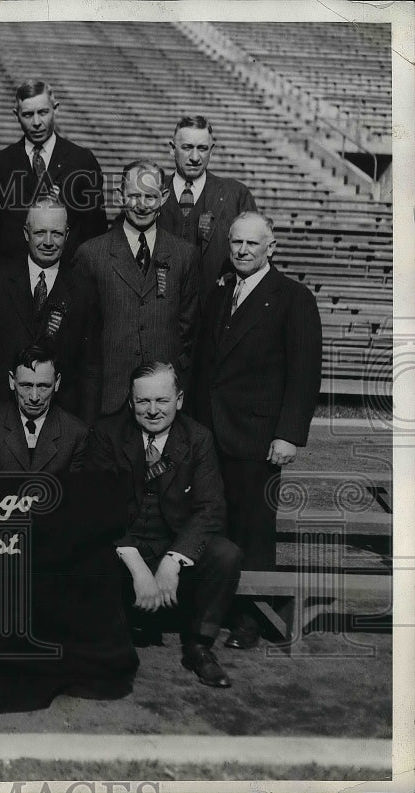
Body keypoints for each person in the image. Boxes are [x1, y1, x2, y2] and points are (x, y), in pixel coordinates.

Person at [190, 211, 322, 649]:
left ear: (272, 247)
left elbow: (304, 374)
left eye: (252, 244)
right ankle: (212, 607)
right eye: (236, 243)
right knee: (214, 521)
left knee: (254, 530)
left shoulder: (292, 297)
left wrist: (288, 434)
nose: (243, 251)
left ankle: (249, 617)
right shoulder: (220, 291)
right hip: (211, 431)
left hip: (258, 437)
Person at [83, 362, 242, 688]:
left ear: (179, 400)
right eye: (143, 402)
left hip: (172, 542)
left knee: (226, 554)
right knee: (88, 553)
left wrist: (174, 559)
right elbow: (98, 506)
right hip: (123, 544)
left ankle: (199, 645)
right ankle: (110, 637)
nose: (153, 410)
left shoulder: (198, 438)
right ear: (130, 402)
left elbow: (211, 508)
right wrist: (139, 568)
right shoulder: (107, 434)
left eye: (162, 400)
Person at [74, 160, 200, 415]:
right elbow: (82, 333)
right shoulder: (91, 253)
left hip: (162, 397)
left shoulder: (184, 254)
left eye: (150, 197)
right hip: (109, 397)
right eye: (134, 195)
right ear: (120, 195)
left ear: (164, 197)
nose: (142, 205)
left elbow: (188, 328)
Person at [0, 196, 101, 422]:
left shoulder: (84, 290)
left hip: (62, 419)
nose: (48, 242)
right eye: (40, 233)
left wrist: (87, 424)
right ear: (26, 233)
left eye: (56, 234)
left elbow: (91, 365)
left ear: (67, 235)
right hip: (1, 414)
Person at [0, 79, 106, 266]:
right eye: (27, 114)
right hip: (11, 280)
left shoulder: (82, 161)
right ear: (16, 114)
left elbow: (96, 231)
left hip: (68, 279)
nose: (36, 122)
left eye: (43, 112)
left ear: (56, 109)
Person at [158, 116, 258, 295]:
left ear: (211, 150)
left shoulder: (236, 195)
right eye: (187, 147)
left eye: (202, 149)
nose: (195, 157)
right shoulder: (151, 193)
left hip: (216, 310)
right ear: (172, 149)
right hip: (161, 311)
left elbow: (259, 254)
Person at [0, 346, 88, 474]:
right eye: (26, 386)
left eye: (43, 386)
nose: (34, 397)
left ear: (57, 382)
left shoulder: (75, 432)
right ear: (12, 381)